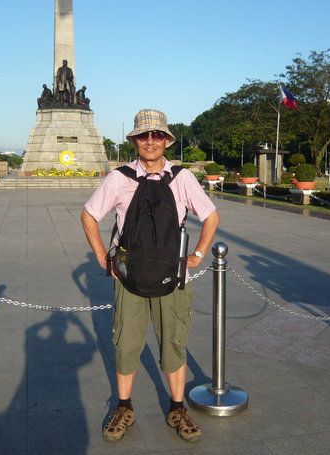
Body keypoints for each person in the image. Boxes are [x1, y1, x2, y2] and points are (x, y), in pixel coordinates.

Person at [81, 109, 219, 443]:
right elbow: (89, 215)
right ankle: (124, 406)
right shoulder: (120, 178)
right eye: (144, 136)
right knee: (127, 344)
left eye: (157, 135)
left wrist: (198, 255)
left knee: (173, 343)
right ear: (135, 141)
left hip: (173, 278)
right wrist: (102, 256)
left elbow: (211, 216)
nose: (150, 141)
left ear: (167, 140)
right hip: (129, 278)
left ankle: (177, 407)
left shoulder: (182, 178)